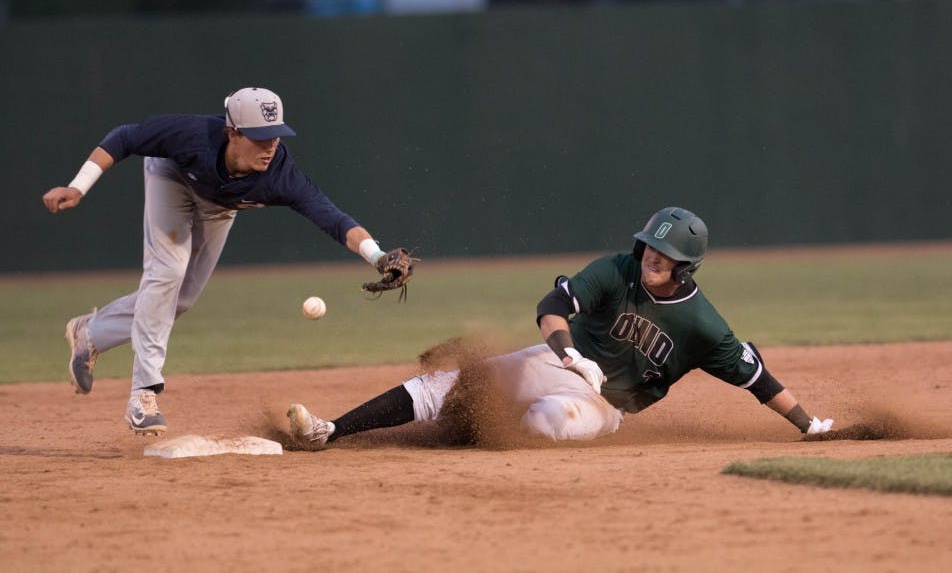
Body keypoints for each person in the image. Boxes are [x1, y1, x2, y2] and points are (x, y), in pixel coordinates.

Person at [286, 206, 834, 449]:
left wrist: (809, 426)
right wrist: (570, 353)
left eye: (664, 257)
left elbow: (755, 377)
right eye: (650, 249)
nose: (651, 261)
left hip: (605, 407)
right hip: (562, 360)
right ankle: (329, 430)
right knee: (454, 382)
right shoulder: (616, 268)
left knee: (547, 421)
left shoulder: (702, 324)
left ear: (685, 267)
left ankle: (467, 436)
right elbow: (552, 305)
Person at [43, 87, 408, 435]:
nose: (270, 147)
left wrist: (376, 256)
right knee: (167, 270)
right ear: (232, 132)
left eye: (276, 136)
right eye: (260, 137)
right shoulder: (191, 135)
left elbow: (333, 218)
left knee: (181, 300)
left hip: (219, 206)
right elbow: (124, 137)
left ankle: (90, 333)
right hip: (172, 176)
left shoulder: (280, 175)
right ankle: (144, 393)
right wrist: (78, 186)